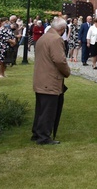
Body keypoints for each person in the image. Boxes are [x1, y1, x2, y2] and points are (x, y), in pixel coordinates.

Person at [31, 17, 71, 145]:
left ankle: (37, 133)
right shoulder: (56, 39)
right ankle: (43, 137)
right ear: (62, 29)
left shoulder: (44, 37)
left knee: (41, 109)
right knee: (48, 110)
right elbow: (59, 60)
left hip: (41, 78)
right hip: (50, 80)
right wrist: (67, 72)